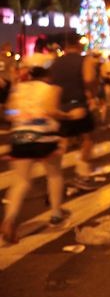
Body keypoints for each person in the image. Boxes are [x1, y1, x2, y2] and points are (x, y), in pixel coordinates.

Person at [1, 55, 76, 243]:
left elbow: (9, 113)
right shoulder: (51, 89)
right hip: (44, 137)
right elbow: (52, 111)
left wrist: (23, 113)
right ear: (48, 72)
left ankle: (9, 219)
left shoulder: (18, 89)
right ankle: (56, 213)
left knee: (21, 181)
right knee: (54, 174)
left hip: (19, 138)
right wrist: (69, 116)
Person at [49, 40, 98, 190]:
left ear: (65, 47)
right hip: (78, 104)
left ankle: (55, 176)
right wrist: (92, 93)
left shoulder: (55, 62)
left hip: (61, 104)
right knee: (87, 139)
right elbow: (89, 79)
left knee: (63, 141)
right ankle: (82, 175)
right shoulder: (85, 60)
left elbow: (50, 83)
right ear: (78, 46)